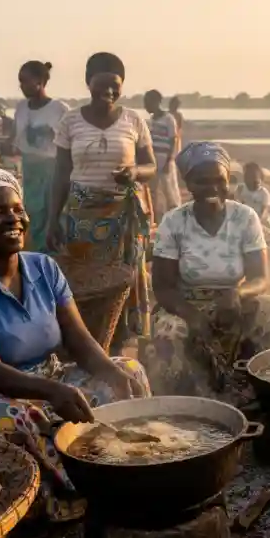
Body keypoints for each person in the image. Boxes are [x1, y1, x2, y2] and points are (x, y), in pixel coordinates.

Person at [0, 167, 150, 522]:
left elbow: (79, 341)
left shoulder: (44, 268)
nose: (13, 219)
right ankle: (60, 500)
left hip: (46, 381)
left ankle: (125, 468)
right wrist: (53, 392)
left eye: (17, 209)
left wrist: (112, 373)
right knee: (13, 420)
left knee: (129, 371)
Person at [141, 142, 270, 403]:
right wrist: (190, 315)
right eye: (201, 181)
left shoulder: (245, 217)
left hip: (233, 298)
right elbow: (163, 287)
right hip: (184, 301)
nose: (212, 188)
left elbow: (260, 278)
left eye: (219, 180)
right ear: (188, 184)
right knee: (170, 332)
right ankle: (181, 403)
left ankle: (260, 393)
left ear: (228, 181)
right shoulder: (174, 222)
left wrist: (239, 293)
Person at [49, 52, 157, 355]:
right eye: (102, 84)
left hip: (123, 218)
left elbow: (151, 166)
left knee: (122, 283)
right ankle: (87, 347)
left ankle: (118, 348)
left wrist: (135, 171)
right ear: (88, 83)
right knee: (83, 284)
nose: (109, 90)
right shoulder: (70, 121)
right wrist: (51, 220)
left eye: (116, 85)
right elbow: (60, 175)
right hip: (82, 220)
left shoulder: (133, 119)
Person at [14, 61, 68, 253]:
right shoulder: (21, 109)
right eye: (20, 81)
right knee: (33, 217)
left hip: (53, 170)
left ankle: (55, 263)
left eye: (25, 81)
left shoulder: (59, 109)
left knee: (54, 215)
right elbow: (19, 142)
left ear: (40, 81)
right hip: (30, 171)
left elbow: (68, 145)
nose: (21, 85)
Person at [233, 162, 270, 253]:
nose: (253, 183)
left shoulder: (264, 193)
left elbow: (265, 211)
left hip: (261, 221)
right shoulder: (240, 189)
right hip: (244, 220)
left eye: (256, 181)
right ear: (245, 178)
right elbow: (236, 205)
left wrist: (258, 221)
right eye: (249, 179)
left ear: (261, 179)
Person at [143, 89, 181, 218]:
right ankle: (157, 217)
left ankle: (174, 216)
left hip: (165, 159)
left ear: (157, 102)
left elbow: (173, 139)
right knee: (154, 190)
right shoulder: (152, 120)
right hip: (154, 159)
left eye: (148, 103)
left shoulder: (168, 119)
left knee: (168, 189)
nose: (146, 106)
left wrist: (169, 160)